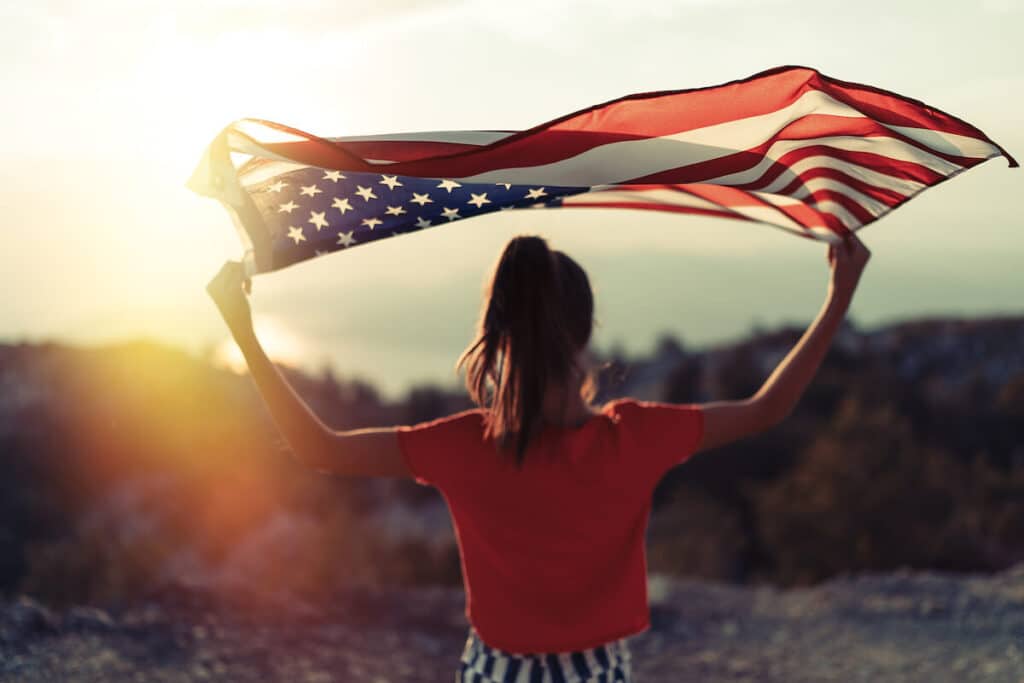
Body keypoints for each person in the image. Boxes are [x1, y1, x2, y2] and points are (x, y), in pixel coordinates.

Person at [207, 231, 871, 682]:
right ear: (584, 332)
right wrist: (839, 294)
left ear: (498, 336)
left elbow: (319, 447)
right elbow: (766, 408)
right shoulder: (633, 438)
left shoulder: (466, 446)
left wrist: (242, 330)